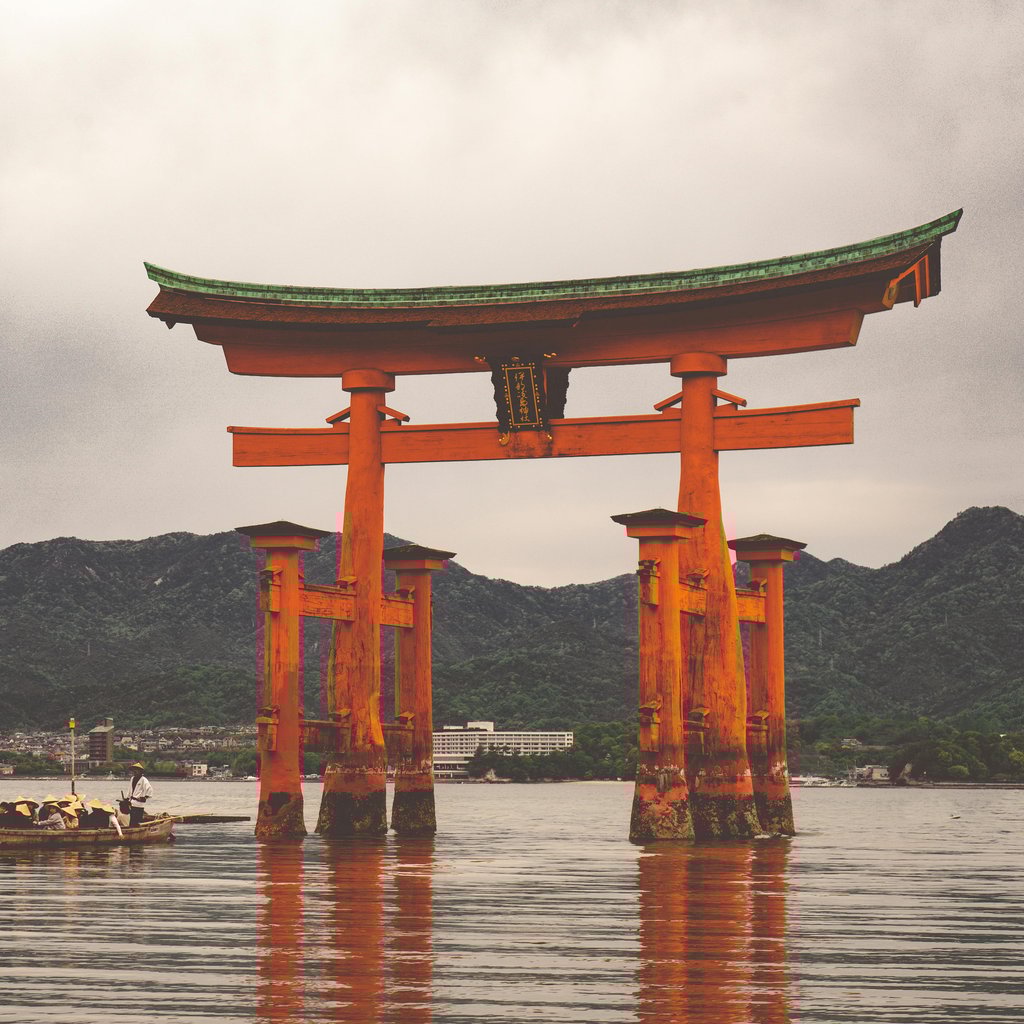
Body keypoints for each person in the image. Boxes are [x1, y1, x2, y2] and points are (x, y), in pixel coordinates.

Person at [127, 762, 153, 827]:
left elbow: (149, 789)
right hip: (132, 802)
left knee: (137, 820)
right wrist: (127, 798)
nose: (135, 772)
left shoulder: (144, 780)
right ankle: (132, 830)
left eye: (136, 770)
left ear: (140, 771)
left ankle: (136, 830)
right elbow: (130, 789)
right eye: (134, 770)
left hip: (139, 804)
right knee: (132, 819)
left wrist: (144, 797)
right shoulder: (132, 778)